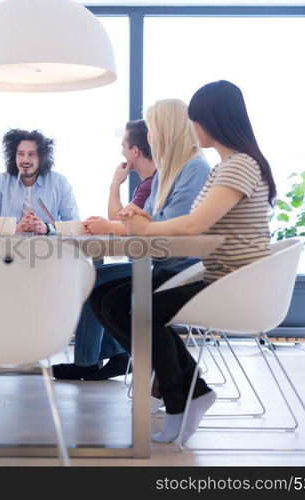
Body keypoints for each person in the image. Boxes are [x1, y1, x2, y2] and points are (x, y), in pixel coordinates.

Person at [93, 80, 275, 444]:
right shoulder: (230, 166)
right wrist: (145, 226)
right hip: (219, 276)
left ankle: (182, 398)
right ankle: (189, 392)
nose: (192, 128)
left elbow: (193, 225)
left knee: (139, 308)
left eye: (196, 120)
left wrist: (144, 227)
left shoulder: (237, 167)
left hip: (232, 284)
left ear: (210, 121)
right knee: (125, 304)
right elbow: (192, 227)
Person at [54, 103, 211, 381]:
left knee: (106, 293)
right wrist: (131, 220)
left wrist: (126, 223)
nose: (150, 138)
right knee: (98, 286)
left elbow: (169, 225)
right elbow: (144, 218)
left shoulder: (195, 169)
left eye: (153, 131)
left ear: (165, 132)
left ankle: (166, 371)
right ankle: (155, 367)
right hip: (163, 265)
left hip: (184, 270)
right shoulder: (166, 174)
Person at [0, 129, 79, 233]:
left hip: (50, 248)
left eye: (32, 154)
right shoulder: (0, 182)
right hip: (7, 248)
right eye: (20, 154)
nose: (25, 160)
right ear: (14, 156)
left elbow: (75, 225)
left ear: (41, 157)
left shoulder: (60, 182)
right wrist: (16, 229)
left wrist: (46, 228)